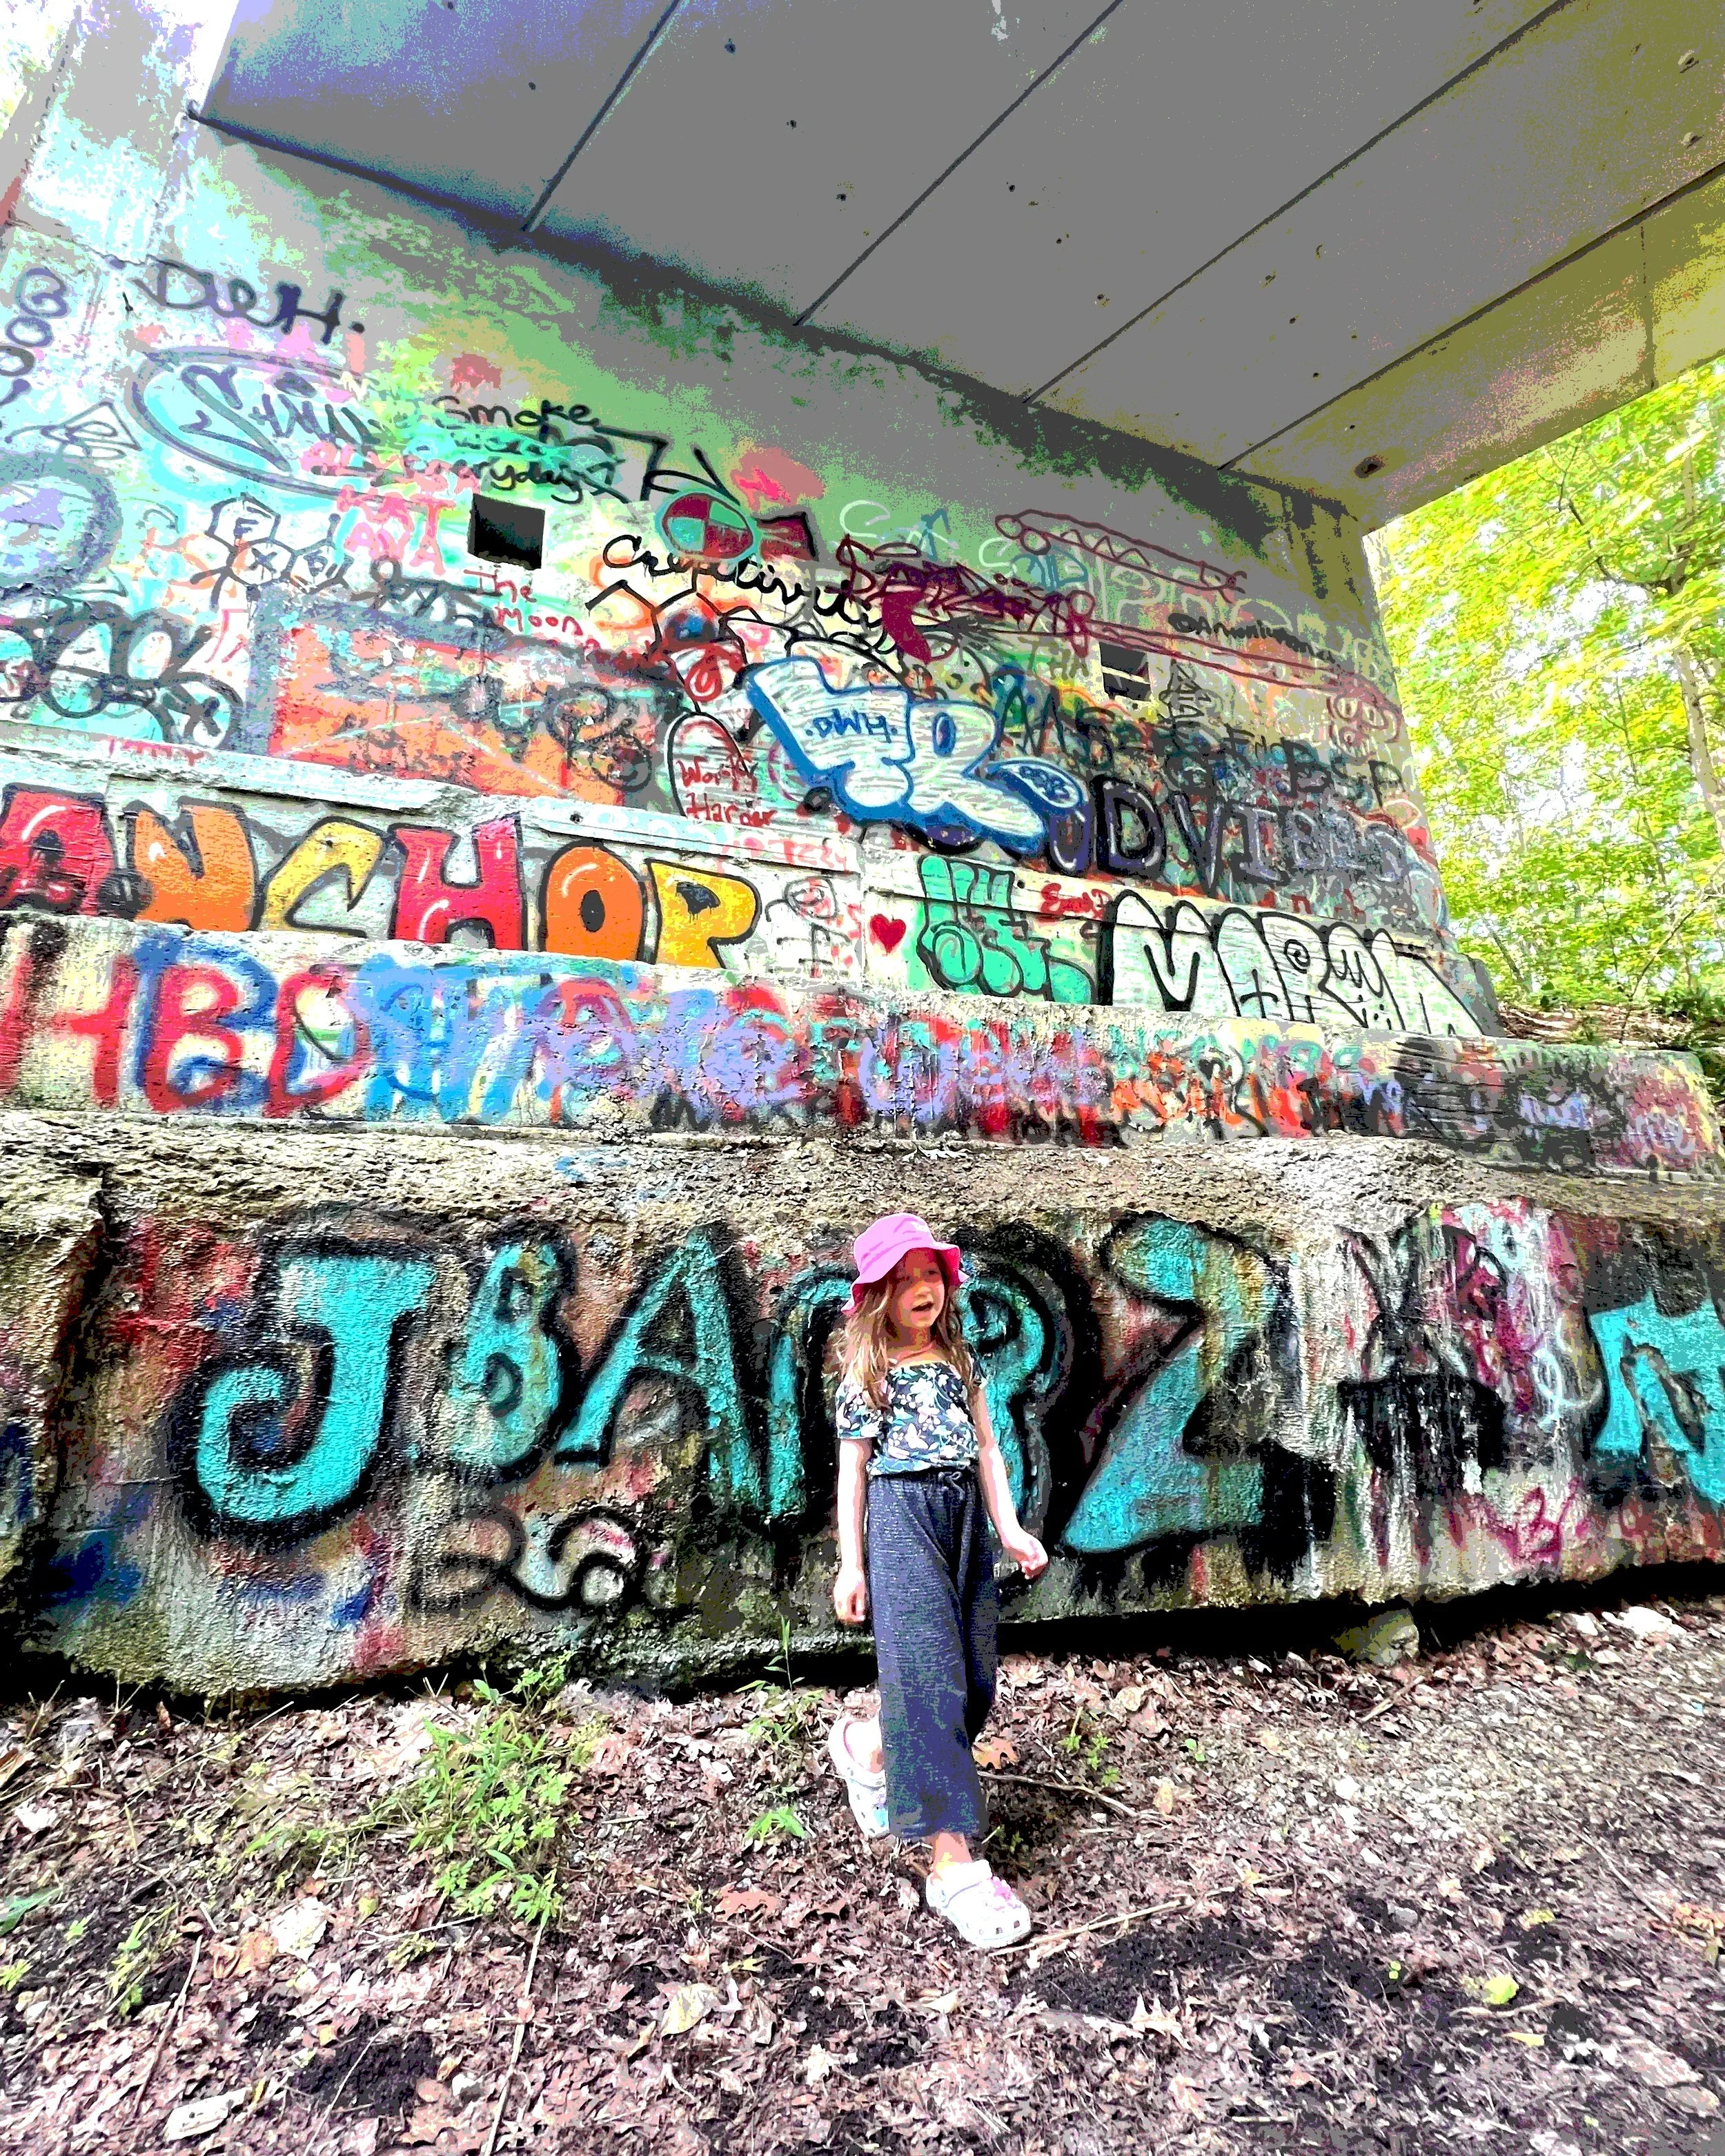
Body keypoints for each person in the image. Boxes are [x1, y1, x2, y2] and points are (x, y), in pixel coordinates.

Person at [825, 1212, 1049, 1948]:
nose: (922, 1288)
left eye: (931, 1274)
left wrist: (1009, 1527)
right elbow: (853, 1475)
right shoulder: (868, 1376)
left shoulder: (962, 1363)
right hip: (902, 1518)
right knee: (928, 1681)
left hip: (963, 1522)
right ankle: (952, 1866)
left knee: (973, 1681)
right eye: (904, 1277)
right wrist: (852, 1562)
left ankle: (872, 1748)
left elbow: (987, 1449)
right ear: (878, 1295)